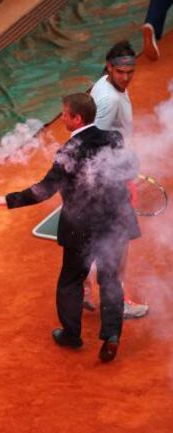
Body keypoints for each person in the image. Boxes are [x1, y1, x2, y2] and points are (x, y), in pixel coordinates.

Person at [0, 93, 141, 362]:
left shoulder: (67, 152)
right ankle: (112, 336)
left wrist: (8, 200)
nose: (63, 117)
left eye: (65, 114)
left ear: (77, 118)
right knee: (110, 280)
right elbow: (128, 169)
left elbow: (44, 190)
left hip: (81, 228)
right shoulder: (115, 139)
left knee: (70, 280)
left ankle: (71, 335)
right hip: (114, 224)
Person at [85, 40, 149, 319]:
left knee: (95, 239)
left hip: (104, 176)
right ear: (110, 67)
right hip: (110, 180)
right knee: (118, 244)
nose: (126, 77)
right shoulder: (109, 101)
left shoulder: (103, 84)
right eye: (120, 72)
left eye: (130, 72)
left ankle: (84, 286)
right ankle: (118, 301)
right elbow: (93, 139)